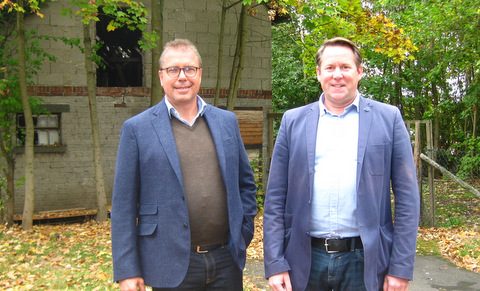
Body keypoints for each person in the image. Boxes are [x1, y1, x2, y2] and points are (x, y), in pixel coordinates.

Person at [263, 37, 420, 291]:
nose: (338, 75)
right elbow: (275, 199)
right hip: (304, 261)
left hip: (365, 261)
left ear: (359, 72)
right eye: (330, 67)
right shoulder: (293, 122)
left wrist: (400, 267)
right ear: (318, 73)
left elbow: (408, 199)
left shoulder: (388, 118)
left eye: (345, 67)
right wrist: (275, 262)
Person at [111, 38, 258, 291]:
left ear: (200, 74)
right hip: (168, 264)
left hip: (225, 261)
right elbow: (123, 206)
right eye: (173, 69)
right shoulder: (137, 129)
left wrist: (243, 231)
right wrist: (127, 270)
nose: (182, 77)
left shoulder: (226, 122)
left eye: (190, 69)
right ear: (161, 76)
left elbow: (245, 184)